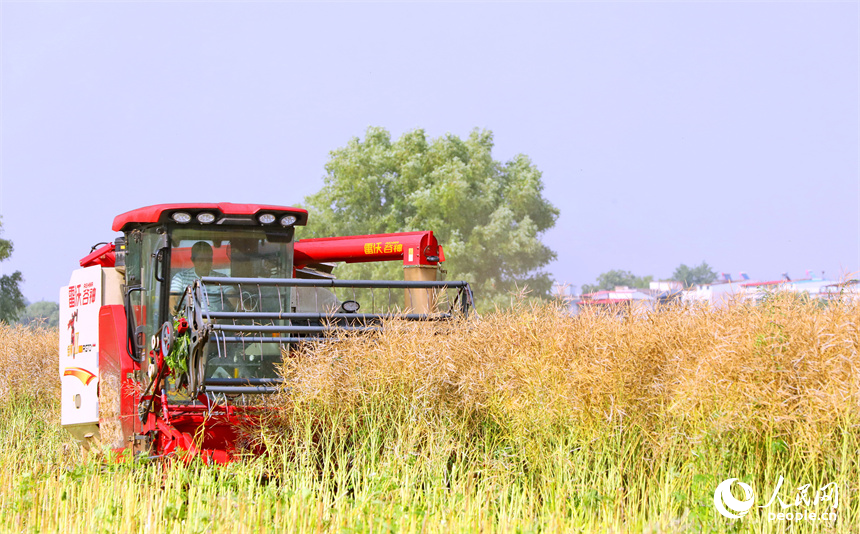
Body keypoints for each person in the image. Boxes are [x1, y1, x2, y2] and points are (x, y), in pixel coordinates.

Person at [170, 241, 231, 312]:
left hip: (217, 321)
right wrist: (174, 308)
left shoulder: (222, 278)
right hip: (188, 321)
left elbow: (232, 295)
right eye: (201, 260)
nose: (205, 264)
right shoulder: (180, 277)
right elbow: (173, 298)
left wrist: (242, 308)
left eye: (208, 259)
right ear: (193, 260)